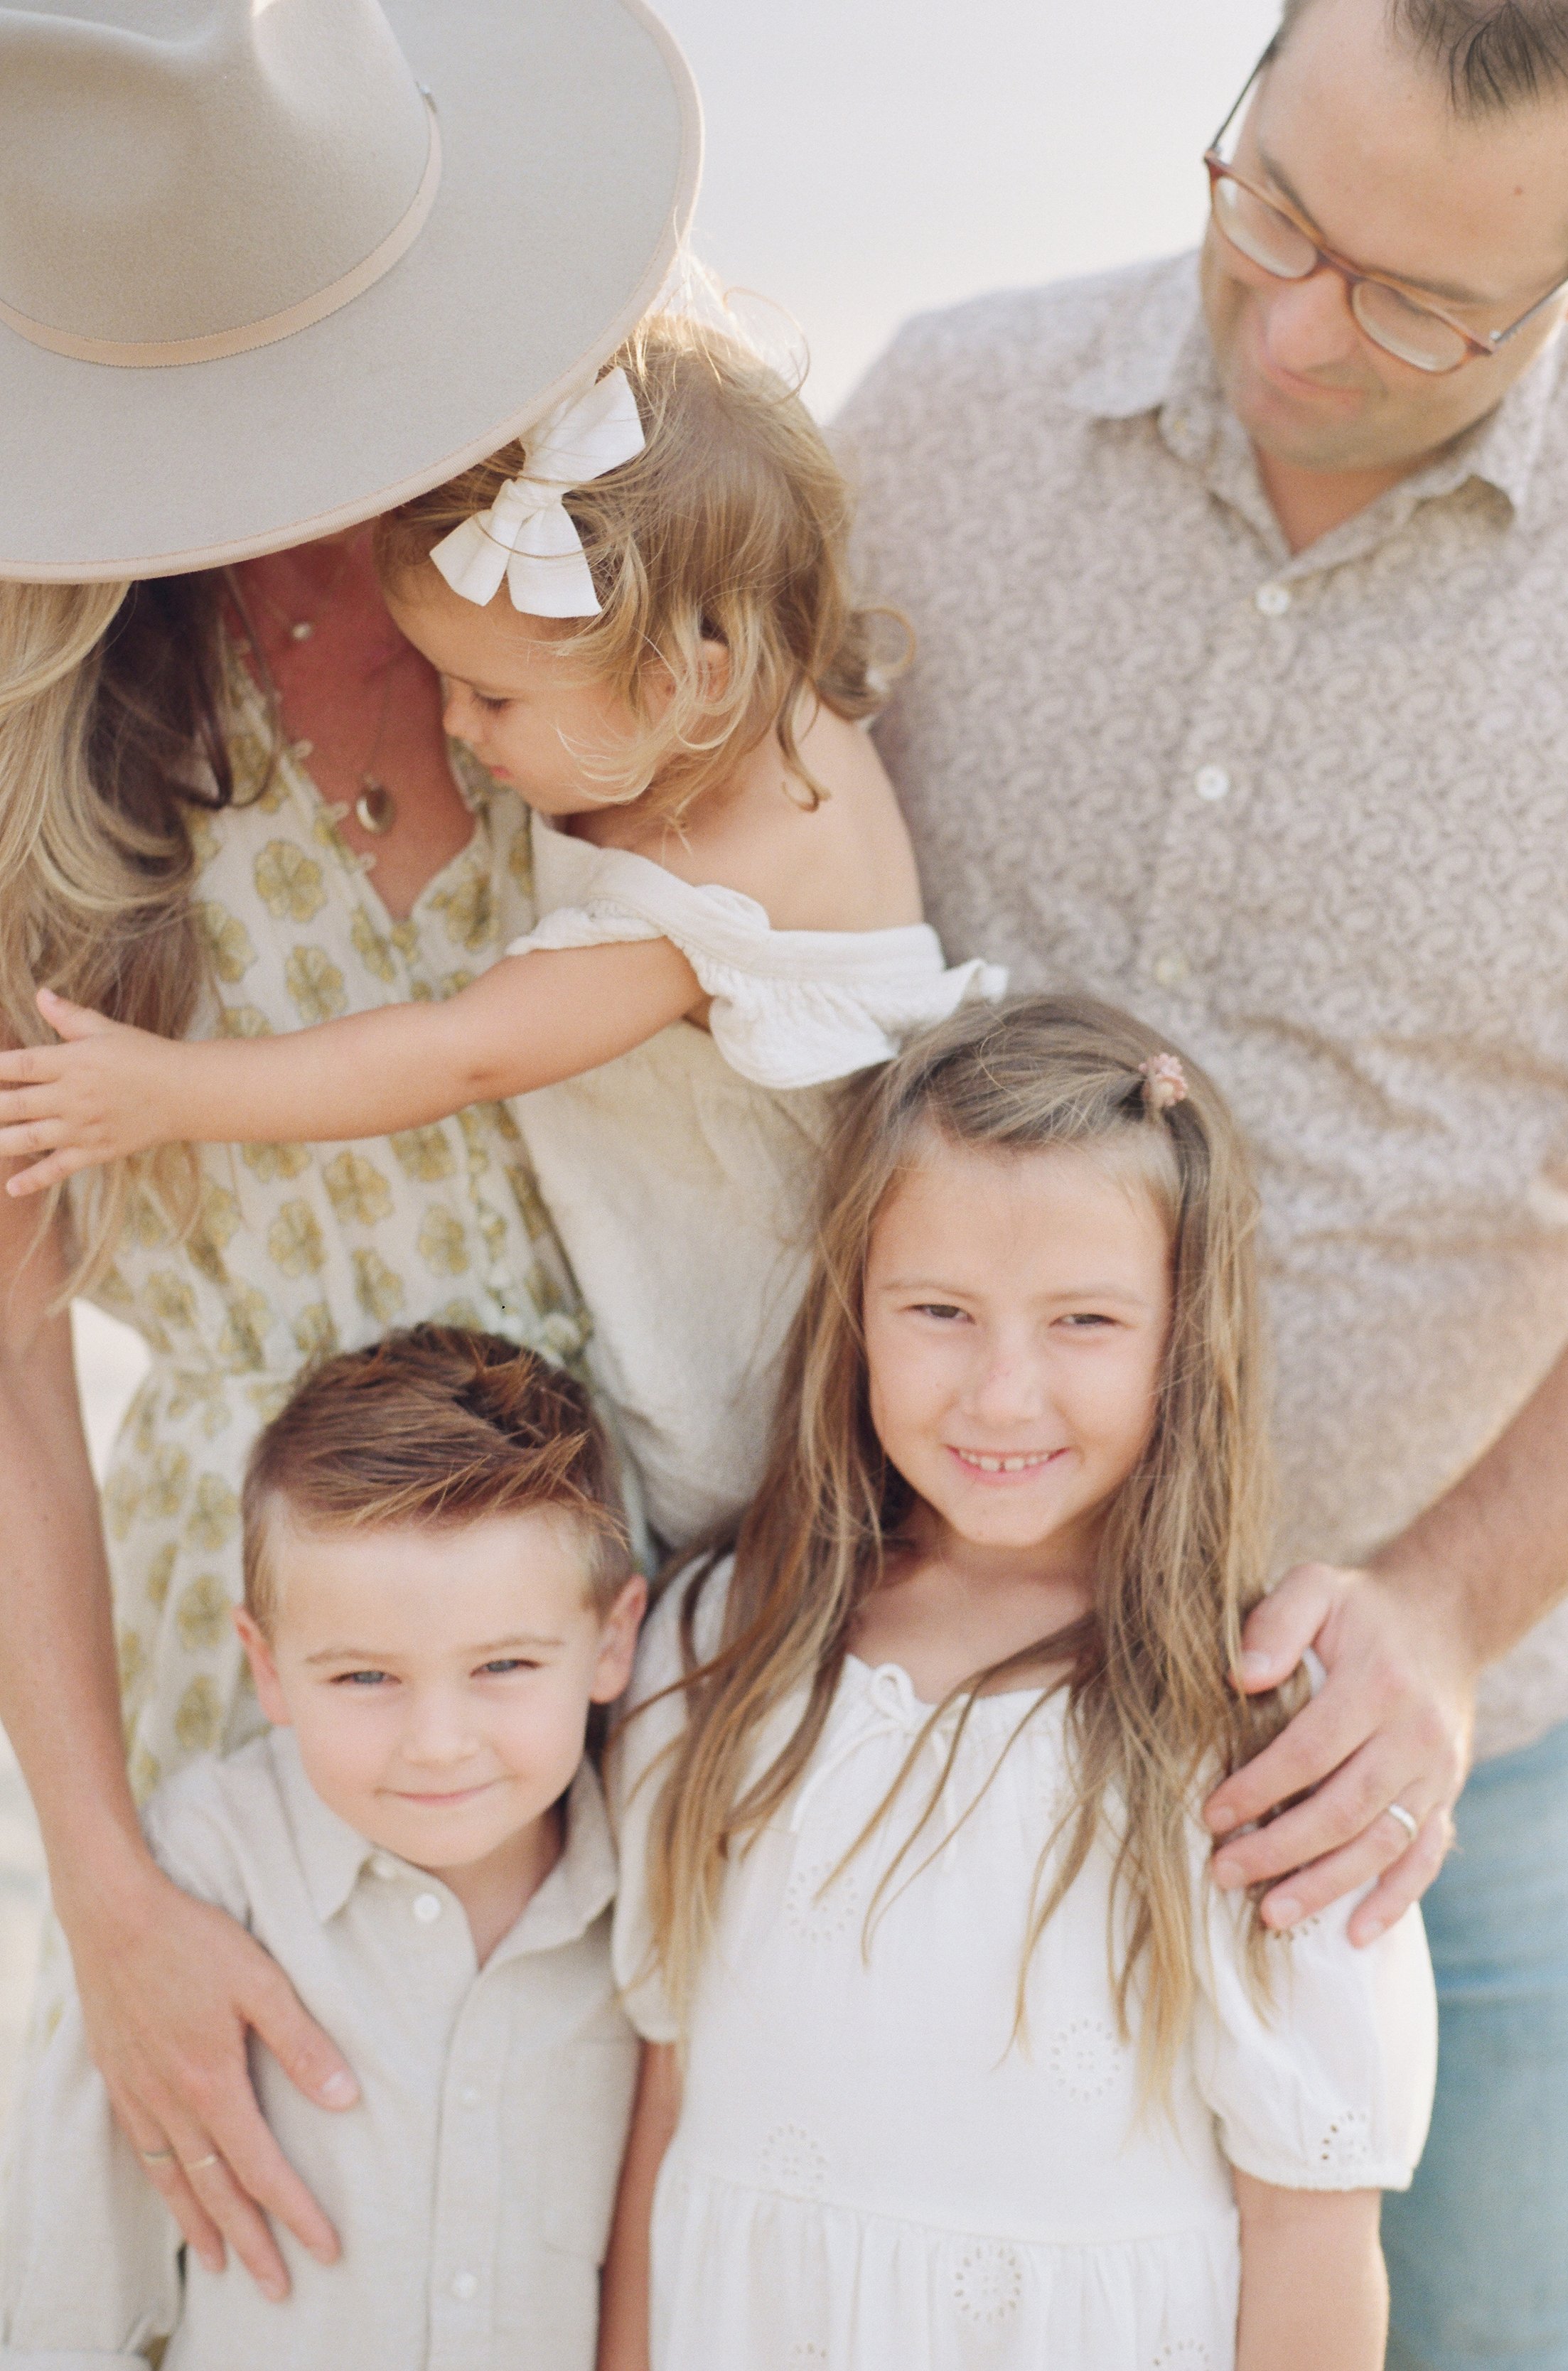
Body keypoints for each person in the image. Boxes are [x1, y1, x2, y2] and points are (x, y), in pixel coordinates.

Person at [837, 2, 1568, 2362]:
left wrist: (1440, 1616)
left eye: (1421, 305)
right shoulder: (937, 419)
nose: (1293, 326)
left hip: (1451, 1759)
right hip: (922, 1710)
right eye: (1272, 205)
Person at [0, 0, 698, 2303]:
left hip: (649, 1595)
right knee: (251, 2281)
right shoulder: (33, 728)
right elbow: (7, 1359)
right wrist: (105, 1877)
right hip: (266, 1649)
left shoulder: (635, 574)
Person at [0, 313, 1003, 1551]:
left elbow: (462, 1052)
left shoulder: (708, 889)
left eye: (492, 696)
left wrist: (165, 1093)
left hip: (759, 1371)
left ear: (685, 680)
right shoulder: (763, 720)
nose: (457, 728)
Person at [598, 995, 1438, 2371]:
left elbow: (1310, 2230)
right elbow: (665, 2099)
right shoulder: (720, 1649)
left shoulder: (1253, 1731)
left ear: (1183, 1338)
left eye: (1083, 1322)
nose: (1000, 1393)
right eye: (938, 1311)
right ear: (855, 1310)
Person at [1, 1324, 648, 2367]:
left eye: (504, 1667)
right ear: (266, 1667)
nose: (438, 1743)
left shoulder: (647, 1889)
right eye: (365, 1677)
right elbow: (74, 2293)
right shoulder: (202, 1874)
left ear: (613, 1641)